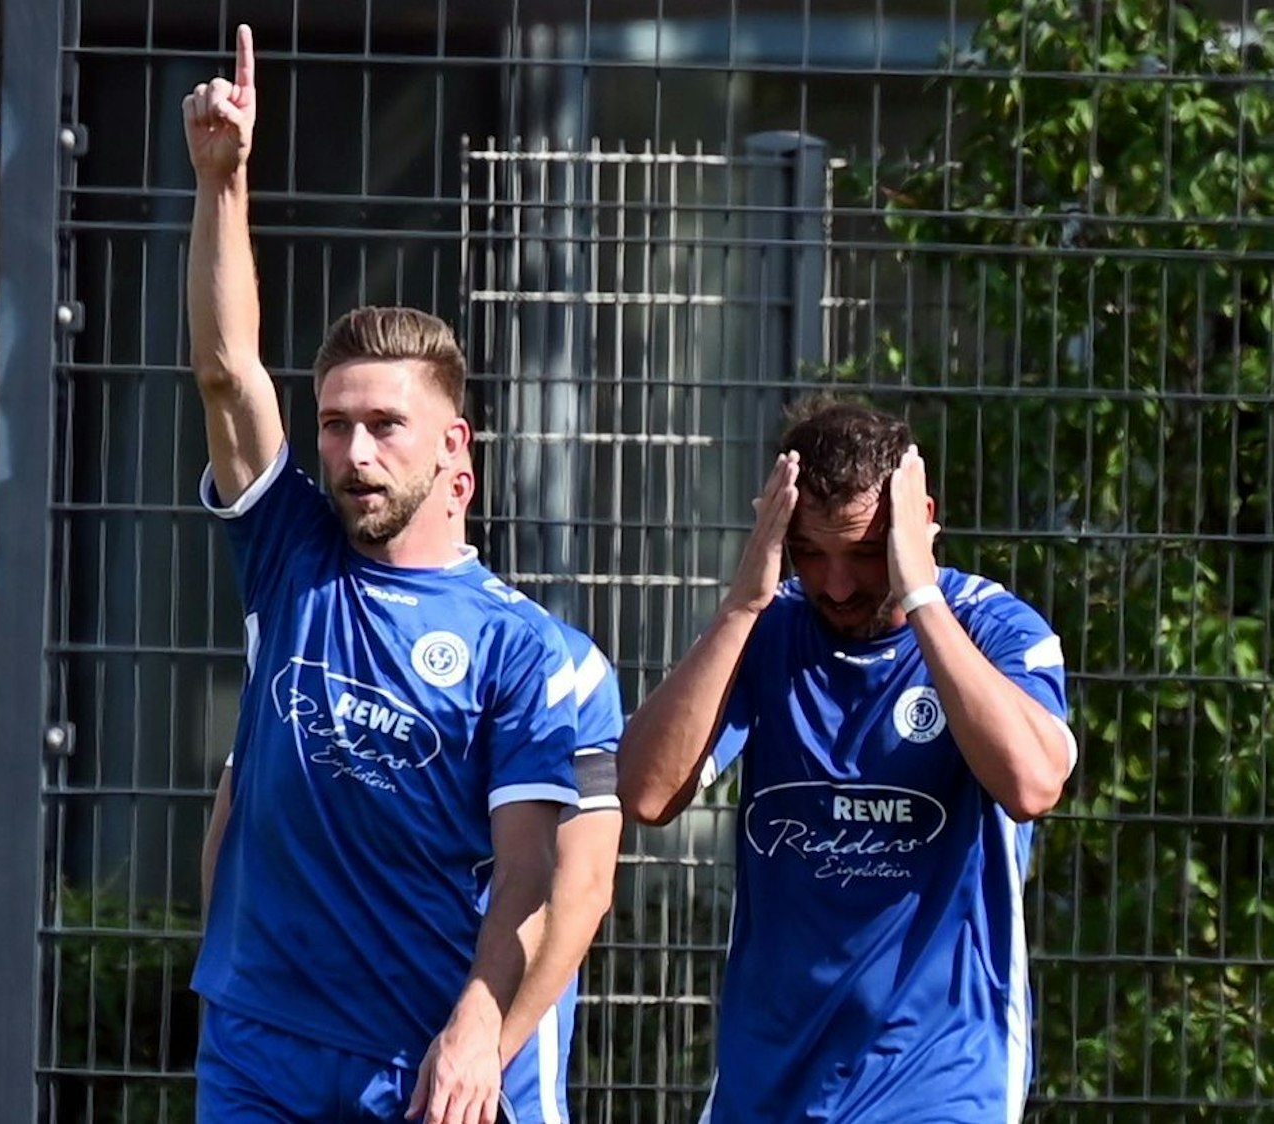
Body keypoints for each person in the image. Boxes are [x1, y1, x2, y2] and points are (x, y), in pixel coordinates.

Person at [184, 29, 583, 1123]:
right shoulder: (291, 553)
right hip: (259, 1045)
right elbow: (226, 372)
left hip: (412, 1061)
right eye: (333, 424)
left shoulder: (521, 649)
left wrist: (478, 1029)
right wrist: (222, 181)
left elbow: (530, 876)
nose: (353, 451)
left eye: (383, 425)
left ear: (455, 448)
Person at [616, 398, 1076, 1123]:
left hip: (936, 1079)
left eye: (864, 553)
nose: (835, 585)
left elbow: (1032, 784)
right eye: (809, 552)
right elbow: (644, 793)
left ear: (918, 523)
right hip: (768, 1082)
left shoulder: (992, 629)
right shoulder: (767, 629)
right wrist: (740, 607)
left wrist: (920, 594)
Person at [199, 466, 626, 1124]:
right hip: (303, 1047)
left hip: (478, 1057)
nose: (364, 463)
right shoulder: (318, 623)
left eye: (388, 429)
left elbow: (580, 887)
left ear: (460, 482)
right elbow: (238, 816)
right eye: (337, 426)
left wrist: (484, 1047)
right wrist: (237, 983)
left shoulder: (559, 661)